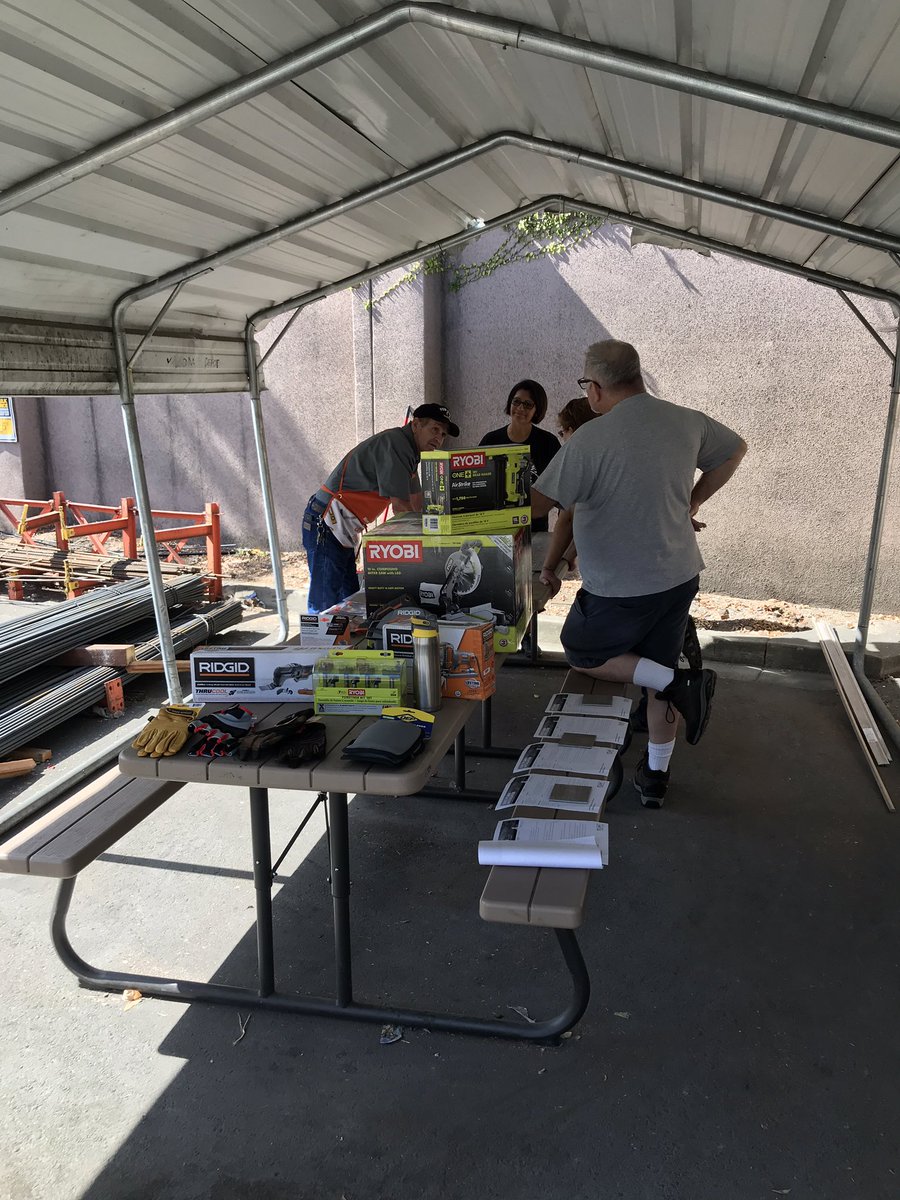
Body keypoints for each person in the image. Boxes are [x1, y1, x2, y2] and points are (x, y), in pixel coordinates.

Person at [531, 340, 747, 808]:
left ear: (595, 387)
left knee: (582, 650)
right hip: (678, 574)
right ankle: (655, 777)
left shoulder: (591, 438)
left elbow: (539, 504)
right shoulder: (686, 420)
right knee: (657, 665)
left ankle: (679, 684)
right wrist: (693, 501)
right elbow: (735, 450)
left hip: (620, 587)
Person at [302, 403, 459, 612]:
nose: (438, 438)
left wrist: (439, 533)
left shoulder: (411, 453)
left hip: (341, 527)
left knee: (347, 604)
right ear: (416, 425)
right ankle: (318, 635)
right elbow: (401, 508)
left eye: (443, 434)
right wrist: (426, 553)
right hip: (327, 522)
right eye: (435, 429)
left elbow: (417, 503)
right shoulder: (397, 445)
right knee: (325, 607)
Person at [479, 380, 560, 534]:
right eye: (516, 402)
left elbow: (560, 486)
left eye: (528, 404)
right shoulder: (491, 440)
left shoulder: (548, 442)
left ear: (537, 410)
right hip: (496, 527)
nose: (520, 408)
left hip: (535, 529)